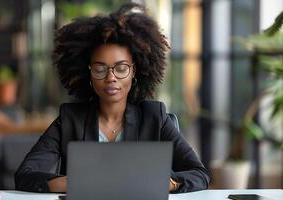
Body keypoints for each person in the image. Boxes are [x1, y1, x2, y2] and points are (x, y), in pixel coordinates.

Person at [15, 3, 209, 193]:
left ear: (134, 71)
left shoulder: (154, 117)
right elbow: (25, 175)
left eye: (121, 68)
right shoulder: (70, 119)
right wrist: (70, 183)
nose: (111, 78)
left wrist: (170, 184)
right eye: (100, 69)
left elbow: (199, 175)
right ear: (88, 73)